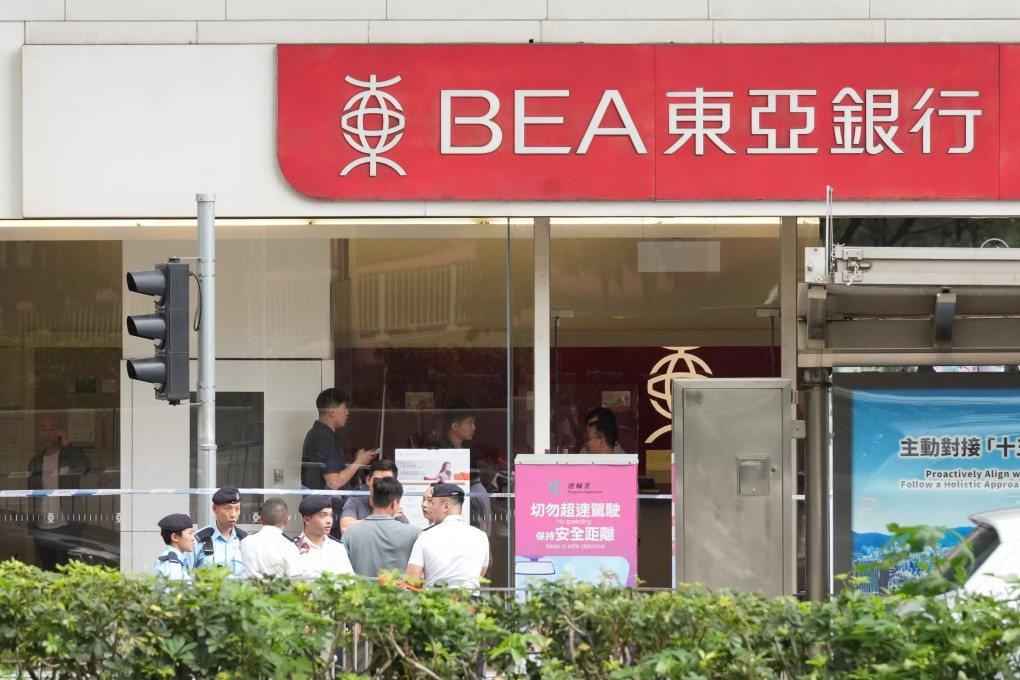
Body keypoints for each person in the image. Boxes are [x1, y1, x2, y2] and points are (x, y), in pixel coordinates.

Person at [28, 414, 92, 570]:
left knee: (68, 570)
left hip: (66, 524)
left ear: (60, 431)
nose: (47, 434)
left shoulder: (69, 456)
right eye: (43, 429)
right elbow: (31, 495)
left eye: (52, 429)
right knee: (48, 571)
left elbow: (85, 467)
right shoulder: (36, 461)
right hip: (41, 525)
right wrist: (31, 523)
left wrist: (68, 444)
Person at [405, 483, 489, 589]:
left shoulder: (425, 536)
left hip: (435, 602)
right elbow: (480, 574)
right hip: (468, 602)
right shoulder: (481, 536)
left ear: (446, 506)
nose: (429, 507)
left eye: (433, 503)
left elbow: (411, 581)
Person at [301, 387, 379, 496]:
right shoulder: (323, 438)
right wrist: (359, 462)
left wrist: (356, 460)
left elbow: (335, 475)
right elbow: (334, 482)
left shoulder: (317, 434)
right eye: (344, 408)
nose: (347, 413)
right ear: (332, 411)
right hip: (324, 509)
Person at [341, 477, 422, 578]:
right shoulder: (414, 533)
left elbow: (341, 573)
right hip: (400, 592)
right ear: (395, 503)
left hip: (360, 593)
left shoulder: (350, 534)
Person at [433, 402, 491, 535]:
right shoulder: (437, 450)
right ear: (455, 426)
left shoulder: (470, 451)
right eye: (470, 423)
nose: (474, 427)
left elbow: (475, 486)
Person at [339, 459, 410, 533]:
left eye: (386, 481)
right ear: (368, 480)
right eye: (377, 480)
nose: (380, 486)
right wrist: (384, 519)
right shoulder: (355, 503)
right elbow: (345, 529)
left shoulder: (396, 512)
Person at [190, 485, 247, 576]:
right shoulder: (198, 540)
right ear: (215, 509)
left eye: (237, 509)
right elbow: (183, 576)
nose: (233, 514)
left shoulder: (244, 540)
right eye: (228, 508)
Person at [240, 496, 302, 579]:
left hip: (249, 591)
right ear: (286, 520)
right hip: (277, 592)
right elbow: (297, 584)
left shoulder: (244, 542)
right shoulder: (289, 548)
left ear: (261, 519)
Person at [295, 495, 354, 577]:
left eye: (330, 515)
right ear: (307, 520)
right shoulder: (293, 548)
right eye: (323, 516)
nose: (329, 521)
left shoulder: (337, 547)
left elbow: (350, 581)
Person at [153, 513, 195, 581]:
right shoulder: (172, 565)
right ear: (175, 537)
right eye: (190, 533)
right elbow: (174, 591)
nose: (193, 538)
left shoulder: (176, 560)